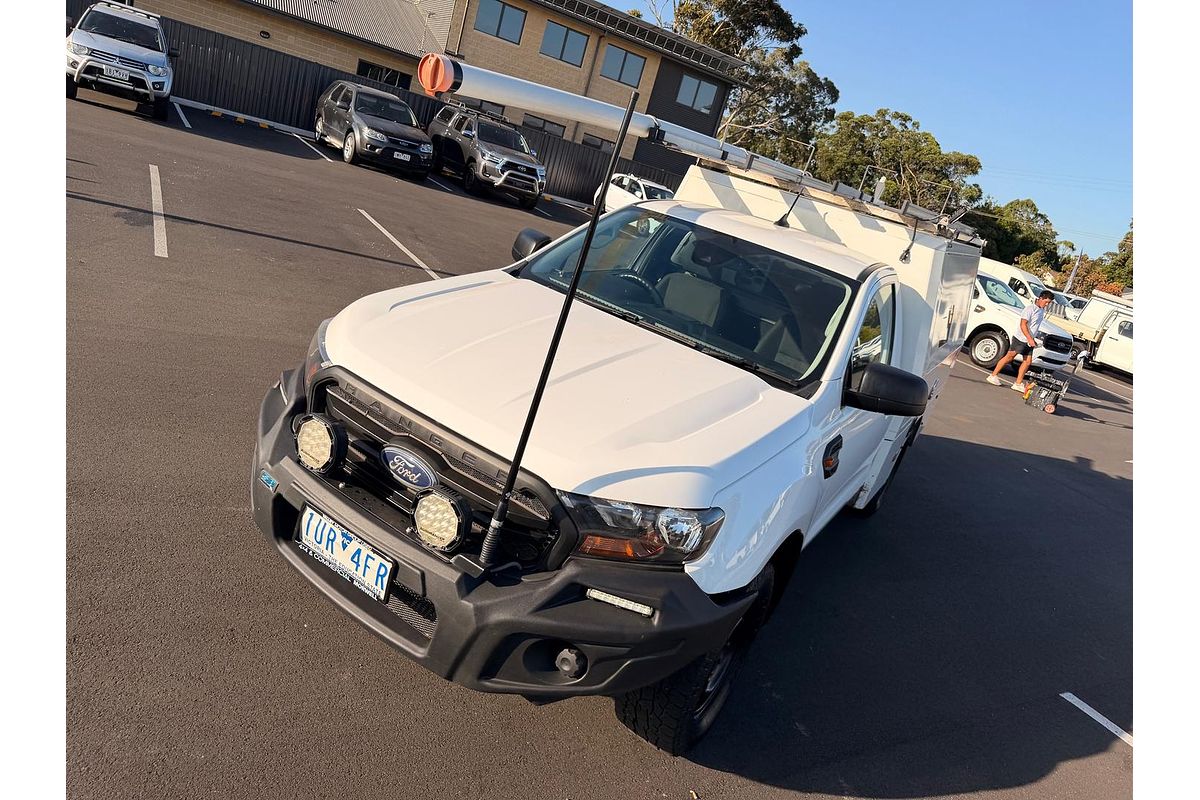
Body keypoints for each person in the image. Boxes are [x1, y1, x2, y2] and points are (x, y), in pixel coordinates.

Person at [986, 289, 1055, 392]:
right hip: (1021, 339)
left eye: (1048, 303)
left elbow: (1034, 326)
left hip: (1029, 340)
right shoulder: (1030, 309)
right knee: (1009, 357)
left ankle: (1018, 383)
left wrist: (1033, 339)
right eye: (1046, 302)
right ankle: (993, 375)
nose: (1047, 305)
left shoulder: (1041, 310)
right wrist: (1029, 338)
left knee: (1027, 361)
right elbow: (1023, 324)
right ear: (1041, 298)